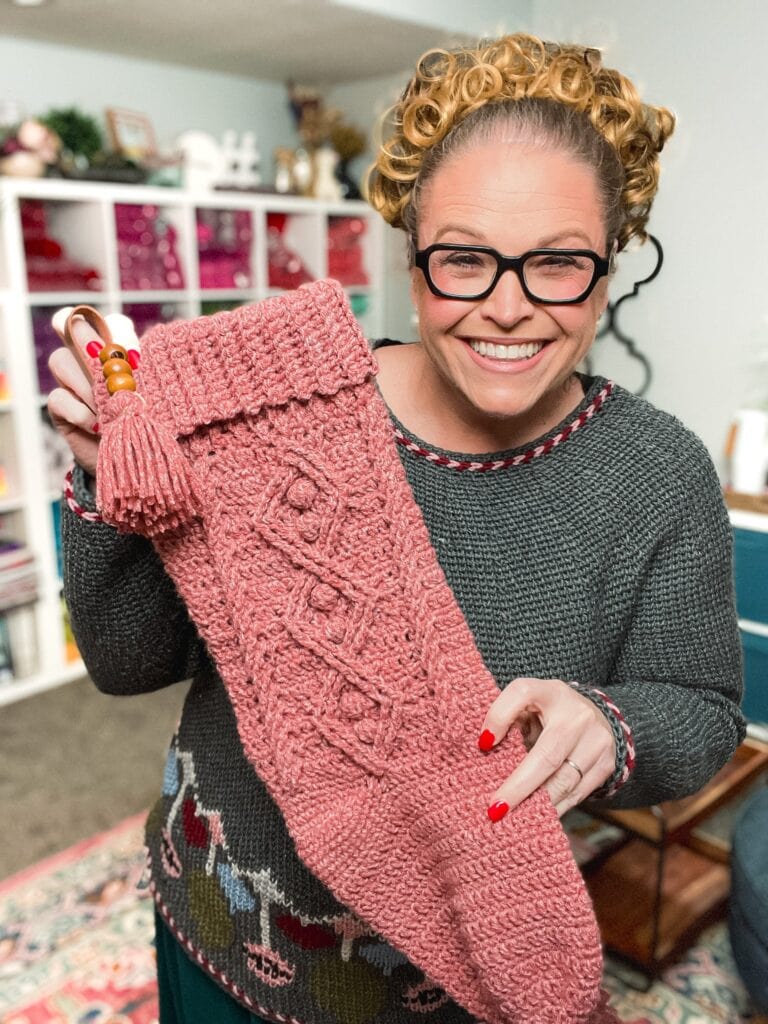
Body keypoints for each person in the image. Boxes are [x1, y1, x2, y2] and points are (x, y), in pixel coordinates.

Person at [48, 31, 744, 1024]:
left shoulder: (659, 475)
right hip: (218, 922)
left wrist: (615, 726)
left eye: (557, 264)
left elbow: (706, 705)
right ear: (412, 257)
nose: (508, 308)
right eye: (464, 259)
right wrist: (100, 468)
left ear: (611, 263)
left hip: (462, 974)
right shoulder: (274, 413)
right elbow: (126, 660)